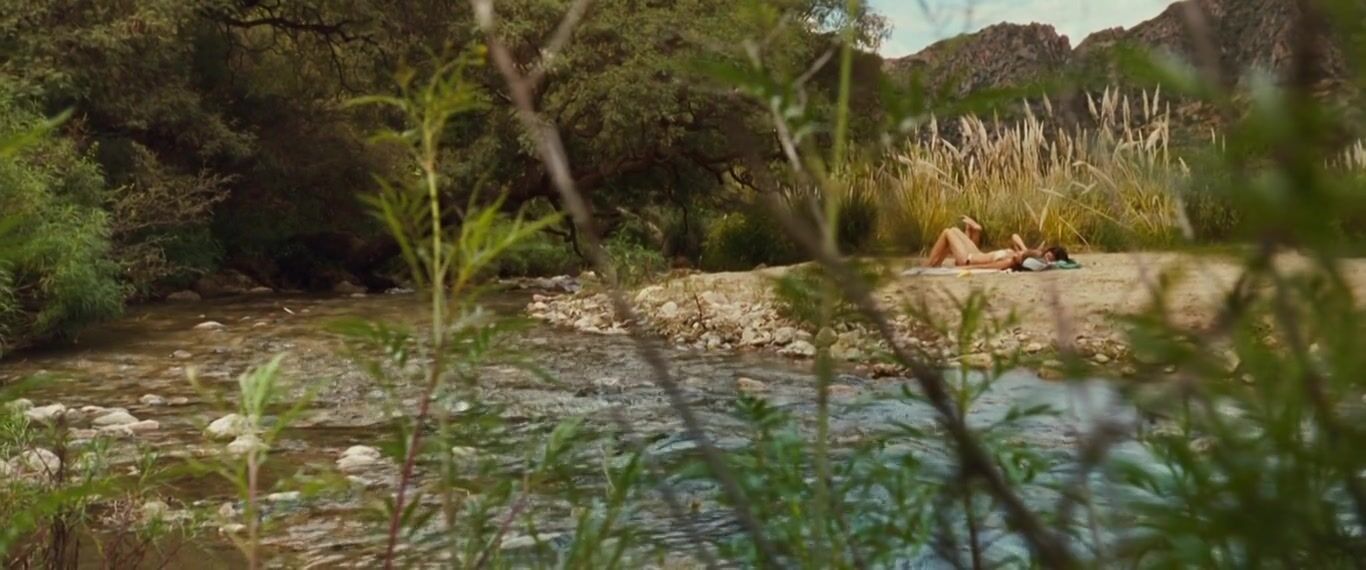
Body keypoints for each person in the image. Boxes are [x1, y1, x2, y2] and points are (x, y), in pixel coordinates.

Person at [923, 216, 1070, 271]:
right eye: (1047, 254)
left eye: (1049, 258)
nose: (1045, 257)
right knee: (954, 230)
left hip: (967, 260)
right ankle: (935, 264)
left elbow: (990, 266)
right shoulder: (1025, 254)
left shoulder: (1013, 260)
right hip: (976, 254)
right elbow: (1015, 237)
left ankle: (928, 266)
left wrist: (968, 268)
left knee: (948, 232)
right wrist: (1025, 250)